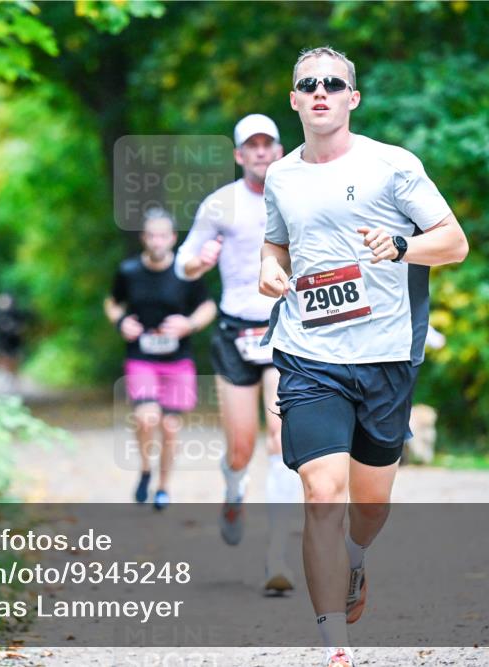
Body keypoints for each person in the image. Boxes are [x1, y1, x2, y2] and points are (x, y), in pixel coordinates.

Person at [258, 47, 469, 667]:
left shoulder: (392, 165)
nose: (320, 92)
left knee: (369, 505)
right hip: (308, 353)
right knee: (323, 492)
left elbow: (454, 243)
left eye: (333, 83)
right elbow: (276, 246)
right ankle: (335, 650)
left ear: (353, 98)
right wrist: (271, 272)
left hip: (384, 355)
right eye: (307, 85)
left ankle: (356, 557)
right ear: (294, 99)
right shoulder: (281, 176)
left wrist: (401, 246)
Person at [175, 114, 304, 594]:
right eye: (251, 146)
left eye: (267, 144)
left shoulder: (297, 196)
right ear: (238, 156)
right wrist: (197, 262)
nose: (261, 152)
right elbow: (182, 263)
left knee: (279, 438)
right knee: (240, 447)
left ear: (278, 148)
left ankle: (277, 556)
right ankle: (233, 489)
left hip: (283, 329)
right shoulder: (220, 204)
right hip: (234, 332)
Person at [105, 207, 217, 511]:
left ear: (172, 238)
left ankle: (163, 487)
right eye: (151, 236)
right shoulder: (128, 272)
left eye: (162, 236)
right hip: (141, 357)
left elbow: (208, 307)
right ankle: (144, 469)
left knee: (169, 427)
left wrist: (189, 324)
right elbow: (112, 303)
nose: (157, 242)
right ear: (143, 238)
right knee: (146, 417)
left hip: (178, 359)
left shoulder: (185, 272)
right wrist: (120, 323)